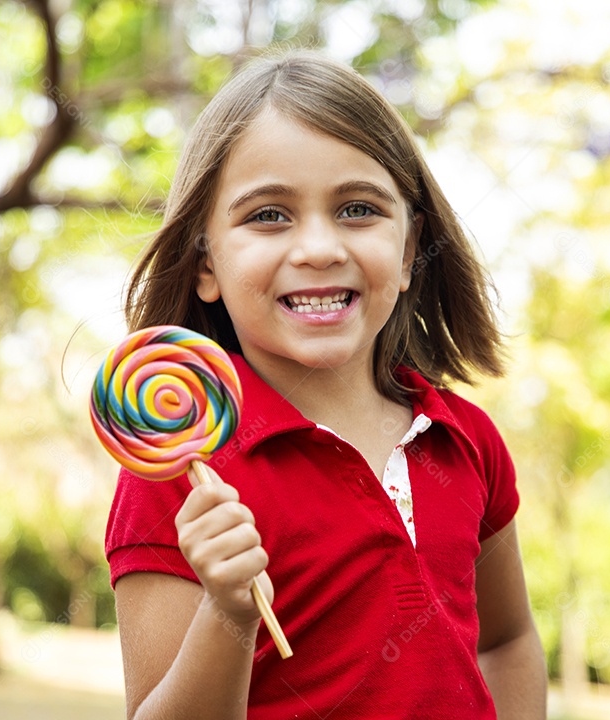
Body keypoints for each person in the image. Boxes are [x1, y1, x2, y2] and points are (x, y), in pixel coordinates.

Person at [106, 50, 547, 719]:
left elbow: (507, 641)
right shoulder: (179, 467)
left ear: (409, 251)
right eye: (268, 215)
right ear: (205, 265)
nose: (319, 249)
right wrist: (228, 611)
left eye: (357, 209)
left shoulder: (466, 441)